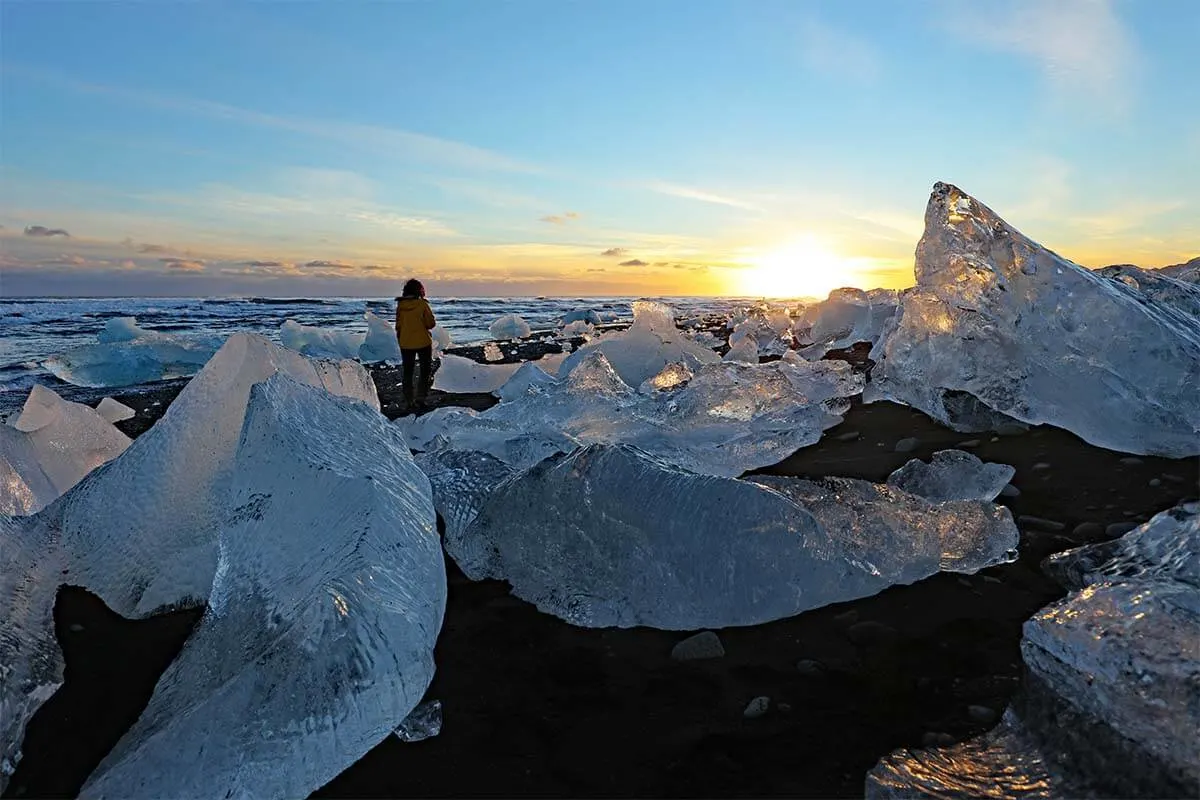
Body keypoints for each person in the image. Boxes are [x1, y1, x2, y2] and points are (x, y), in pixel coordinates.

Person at [394, 278, 436, 410]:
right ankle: (421, 399)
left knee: (408, 372)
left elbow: (398, 326)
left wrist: (401, 338)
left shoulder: (401, 306)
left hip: (406, 343)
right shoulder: (422, 305)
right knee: (425, 371)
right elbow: (431, 324)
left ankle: (409, 401)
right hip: (423, 342)